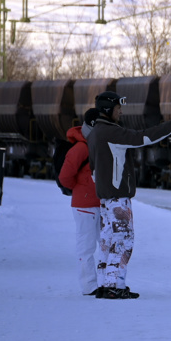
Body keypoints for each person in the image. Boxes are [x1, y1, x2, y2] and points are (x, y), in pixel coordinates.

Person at [87, 91, 171, 300]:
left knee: (108, 241)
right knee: (123, 241)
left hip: (106, 199)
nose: (121, 112)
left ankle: (105, 283)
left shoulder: (94, 133)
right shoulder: (111, 132)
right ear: (108, 110)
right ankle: (113, 286)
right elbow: (143, 137)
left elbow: (92, 169)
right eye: (118, 108)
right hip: (118, 198)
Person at [57, 108, 102, 296]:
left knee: (104, 244)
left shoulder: (93, 145)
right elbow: (64, 177)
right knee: (87, 246)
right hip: (85, 206)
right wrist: (81, 188)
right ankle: (89, 286)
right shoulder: (81, 148)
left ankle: (105, 283)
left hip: (98, 203)